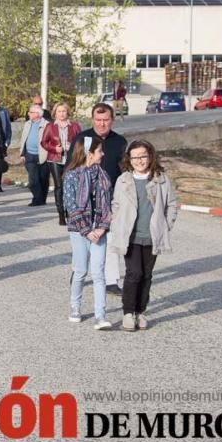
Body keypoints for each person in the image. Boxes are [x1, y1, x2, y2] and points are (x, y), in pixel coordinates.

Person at [109, 141, 178, 332]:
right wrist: (116, 224)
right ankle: (128, 313)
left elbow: (171, 204)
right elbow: (116, 204)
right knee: (134, 274)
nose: (139, 160)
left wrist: (166, 224)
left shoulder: (161, 179)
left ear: (150, 156)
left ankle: (141, 311)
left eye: (143, 156)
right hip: (130, 235)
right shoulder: (123, 180)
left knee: (147, 275)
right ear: (129, 159)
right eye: (135, 157)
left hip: (152, 235)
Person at [70, 103, 128, 294]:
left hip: (110, 199)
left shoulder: (119, 142)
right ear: (92, 120)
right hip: (84, 199)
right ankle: (78, 270)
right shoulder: (83, 138)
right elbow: (72, 167)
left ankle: (111, 280)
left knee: (110, 240)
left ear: (112, 120)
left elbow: (125, 172)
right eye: (98, 120)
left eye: (106, 120)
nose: (102, 124)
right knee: (85, 238)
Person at [63, 135, 113, 330]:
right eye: (99, 151)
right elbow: (71, 206)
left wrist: (102, 227)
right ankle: (75, 307)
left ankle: (101, 315)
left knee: (99, 273)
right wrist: (86, 230)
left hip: (99, 231)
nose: (103, 154)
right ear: (89, 153)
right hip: (79, 231)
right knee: (81, 271)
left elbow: (108, 205)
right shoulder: (71, 176)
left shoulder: (104, 177)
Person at [40, 102, 82, 226]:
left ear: (67, 112)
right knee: (59, 186)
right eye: (59, 111)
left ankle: (70, 212)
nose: (62, 113)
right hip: (54, 159)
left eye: (64, 111)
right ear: (55, 113)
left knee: (70, 186)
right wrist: (54, 148)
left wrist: (73, 147)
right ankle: (61, 215)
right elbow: (44, 142)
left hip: (70, 160)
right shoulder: (50, 126)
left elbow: (81, 141)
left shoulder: (74, 126)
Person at [17, 104, 51, 207]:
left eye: (31, 112)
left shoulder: (47, 125)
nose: (28, 114)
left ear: (38, 114)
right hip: (30, 155)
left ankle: (42, 199)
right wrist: (22, 153)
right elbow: (24, 139)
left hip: (43, 155)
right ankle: (37, 198)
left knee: (43, 179)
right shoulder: (28, 124)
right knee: (33, 180)